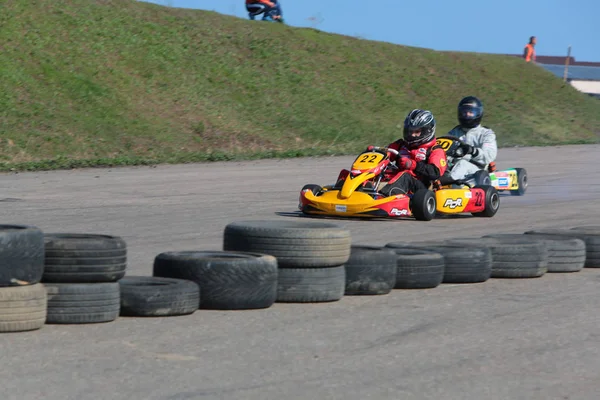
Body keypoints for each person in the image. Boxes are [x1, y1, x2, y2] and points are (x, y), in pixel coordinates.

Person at [377, 109, 447, 196]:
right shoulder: (400, 145)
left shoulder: (435, 150)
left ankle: (382, 197)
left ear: (427, 131)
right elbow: (384, 154)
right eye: (410, 131)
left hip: (420, 190)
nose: (412, 135)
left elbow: (435, 172)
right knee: (377, 172)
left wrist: (413, 165)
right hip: (396, 181)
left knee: (405, 175)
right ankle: (361, 190)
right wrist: (374, 153)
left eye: (417, 132)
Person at [443, 96, 498, 184]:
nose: (467, 115)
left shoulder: (486, 134)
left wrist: (473, 151)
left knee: (462, 164)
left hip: (478, 168)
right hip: (454, 166)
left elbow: (489, 155)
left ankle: (446, 184)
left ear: (478, 113)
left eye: (471, 112)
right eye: (464, 112)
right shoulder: (454, 133)